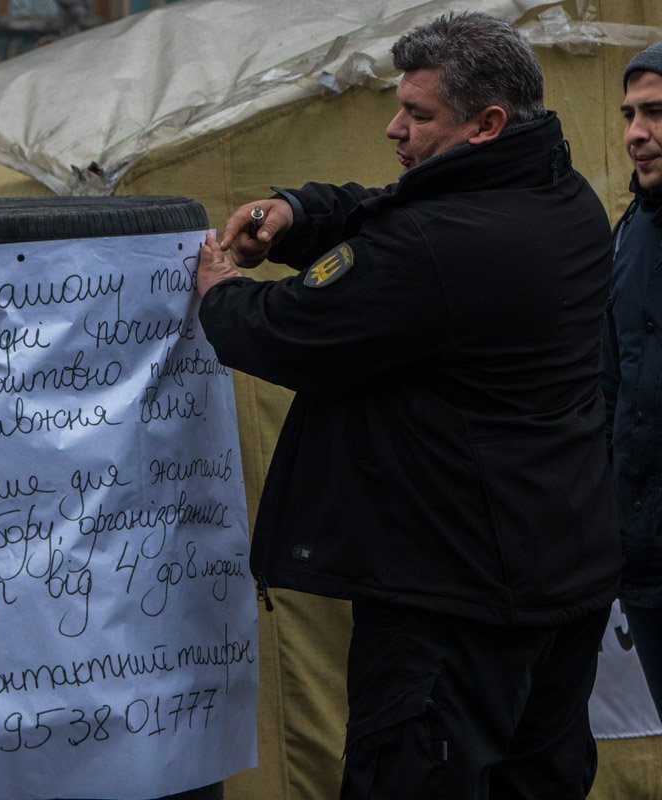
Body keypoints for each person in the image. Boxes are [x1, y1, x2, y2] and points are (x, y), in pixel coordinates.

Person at [195, 11, 619, 798]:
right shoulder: (565, 200)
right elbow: (390, 215)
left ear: (487, 124)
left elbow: (286, 332)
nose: (394, 128)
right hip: (559, 570)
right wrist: (300, 213)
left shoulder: (440, 246)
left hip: (452, 597)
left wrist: (217, 292)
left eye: (418, 115)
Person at [602, 41, 662, 721]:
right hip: (646, 566)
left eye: (656, 113)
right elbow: (610, 387)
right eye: (629, 114)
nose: (635, 134)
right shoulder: (632, 230)